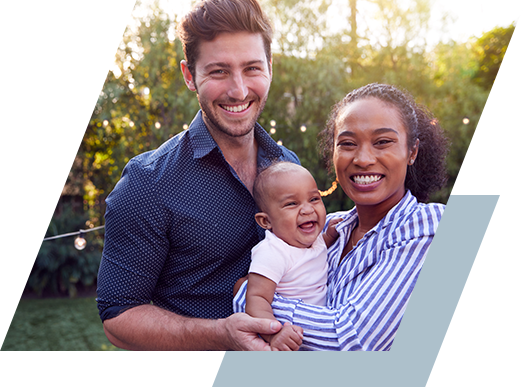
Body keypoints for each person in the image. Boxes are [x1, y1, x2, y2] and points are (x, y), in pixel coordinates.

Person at [96, 0, 303, 351]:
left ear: (270, 67)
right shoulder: (147, 183)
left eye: (252, 68)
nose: (238, 91)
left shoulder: (288, 165)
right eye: (219, 72)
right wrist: (221, 334)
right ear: (190, 75)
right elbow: (118, 318)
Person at [234, 82, 450, 350]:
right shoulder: (329, 228)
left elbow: (352, 340)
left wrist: (251, 296)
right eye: (347, 143)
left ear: (412, 151)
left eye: (382, 142)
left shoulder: (425, 226)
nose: (362, 159)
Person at [243, 161, 341, 350]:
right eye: (292, 204)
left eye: (314, 199)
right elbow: (256, 298)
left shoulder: (315, 239)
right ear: (266, 221)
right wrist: (274, 333)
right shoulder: (273, 253)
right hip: (292, 339)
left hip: (320, 333)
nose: (307, 209)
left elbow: (316, 252)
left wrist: (330, 235)